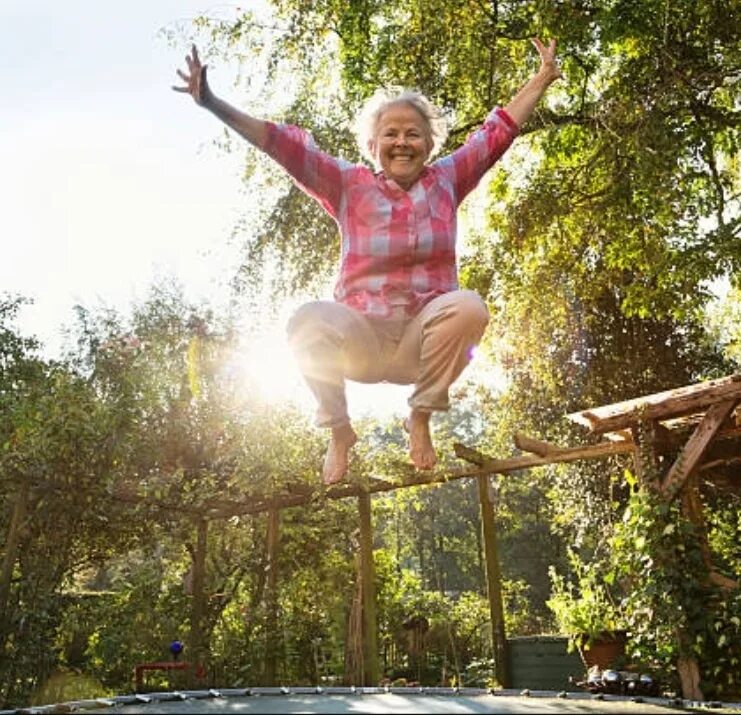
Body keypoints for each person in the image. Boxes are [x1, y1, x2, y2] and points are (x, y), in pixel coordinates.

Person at [174, 38, 561, 486]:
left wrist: (542, 76)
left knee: (469, 306)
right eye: (391, 134)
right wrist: (213, 103)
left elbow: (498, 132)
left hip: (419, 347)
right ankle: (339, 431)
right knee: (307, 321)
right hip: (363, 344)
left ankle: (420, 416)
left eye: (413, 134)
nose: (402, 142)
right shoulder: (349, 185)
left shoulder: (448, 180)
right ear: (373, 144)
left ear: (430, 143)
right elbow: (282, 148)